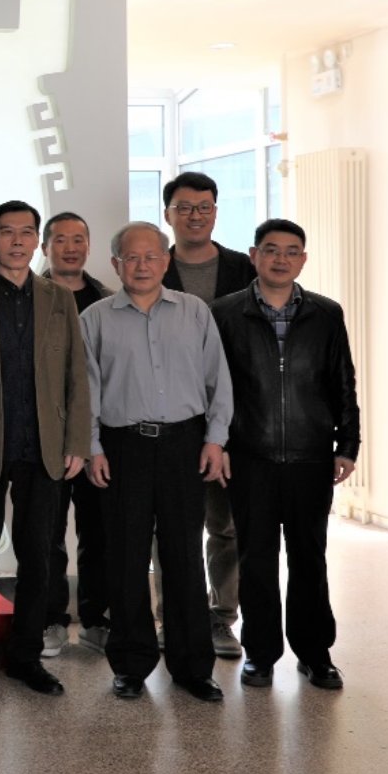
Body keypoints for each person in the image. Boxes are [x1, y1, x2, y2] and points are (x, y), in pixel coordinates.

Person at [81, 221, 233, 702]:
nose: (142, 265)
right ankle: (130, 664)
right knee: (126, 557)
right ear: (116, 264)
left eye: (152, 256)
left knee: (183, 556)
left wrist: (215, 440)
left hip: (183, 445)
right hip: (121, 446)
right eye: (132, 257)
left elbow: (218, 379)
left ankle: (193, 667)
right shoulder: (95, 318)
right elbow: (86, 390)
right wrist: (93, 447)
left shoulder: (194, 312)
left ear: (167, 261)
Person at [0, 202, 90, 698]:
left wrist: (77, 441)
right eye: (6, 232)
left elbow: (76, 375)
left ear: (36, 242)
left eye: (27, 232)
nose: (17, 241)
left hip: (43, 444)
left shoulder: (58, 299)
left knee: (39, 557)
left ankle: (26, 656)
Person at [212, 219, 359, 692]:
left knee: (309, 559)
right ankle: (260, 654)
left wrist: (348, 445)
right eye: (271, 250)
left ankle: (316, 653)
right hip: (249, 456)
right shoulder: (224, 313)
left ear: (303, 260)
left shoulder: (326, 313)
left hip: (310, 456)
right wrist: (218, 444)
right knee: (255, 559)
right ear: (254, 256)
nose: (281, 259)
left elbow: (342, 381)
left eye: (291, 251)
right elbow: (213, 387)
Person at [160, 170, 254, 661]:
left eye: (204, 207)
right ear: (168, 214)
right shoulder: (153, 266)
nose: (194, 216)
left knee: (226, 526)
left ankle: (221, 618)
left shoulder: (244, 268)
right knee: (170, 525)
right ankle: (174, 614)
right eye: (184, 208)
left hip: (232, 417)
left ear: (215, 212)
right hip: (169, 414)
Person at [41, 211, 114, 656]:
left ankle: (95, 619)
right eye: (61, 239)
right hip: (47, 434)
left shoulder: (107, 299)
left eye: (79, 239)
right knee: (47, 533)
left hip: (99, 435)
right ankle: (50, 619)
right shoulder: (31, 296)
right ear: (45, 247)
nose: (71, 247)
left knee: (98, 531)